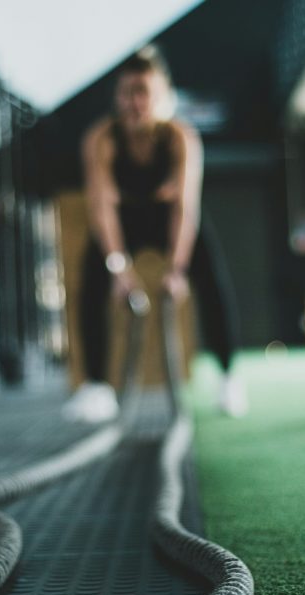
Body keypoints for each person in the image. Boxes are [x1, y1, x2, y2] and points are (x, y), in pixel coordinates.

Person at [62, 45, 248, 423]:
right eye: (127, 93)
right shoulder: (101, 139)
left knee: (211, 279)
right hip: (124, 220)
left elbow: (185, 208)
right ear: (117, 97)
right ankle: (96, 387)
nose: (134, 103)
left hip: (169, 220)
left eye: (143, 92)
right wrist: (119, 270)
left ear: (162, 97)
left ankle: (229, 378)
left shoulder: (180, 138)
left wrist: (177, 271)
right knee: (91, 278)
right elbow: (102, 209)